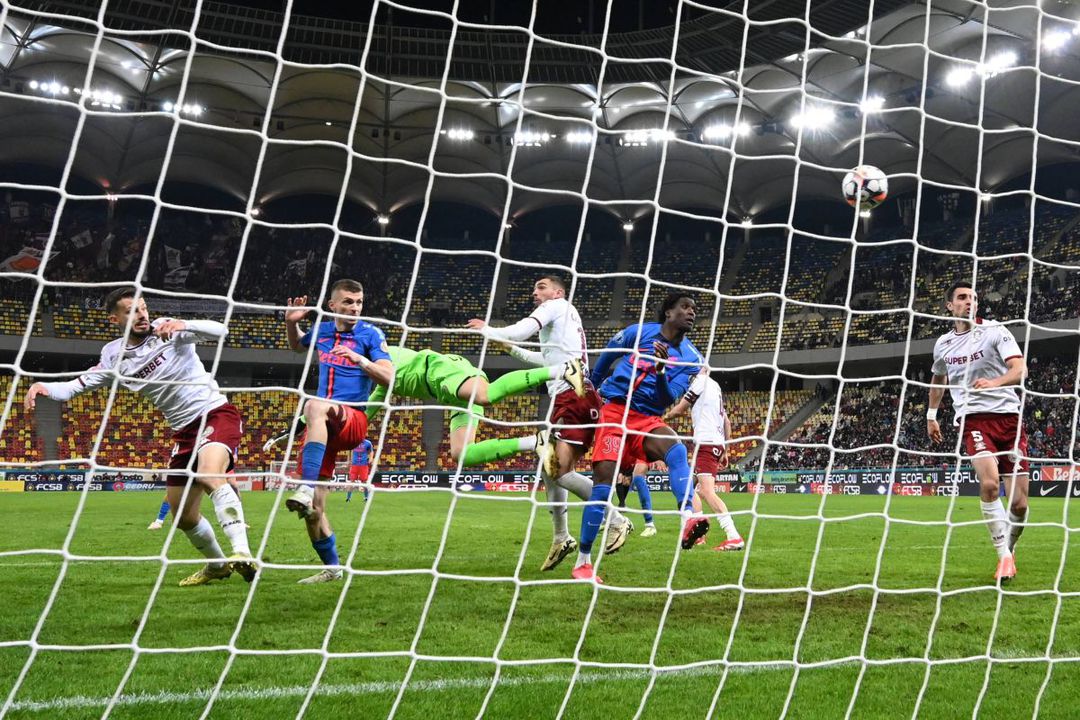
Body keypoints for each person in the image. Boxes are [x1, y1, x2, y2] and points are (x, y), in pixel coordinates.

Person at [25, 287, 256, 586]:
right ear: (115, 319)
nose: (142, 315)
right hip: (183, 432)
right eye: (131, 311)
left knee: (209, 475)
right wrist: (42, 386)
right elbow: (76, 386)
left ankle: (242, 552)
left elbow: (221, 331)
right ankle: (217, 566)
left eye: (143, 307)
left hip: (215, 413)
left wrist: (184, 324)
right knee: (183, 517)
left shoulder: (168, 330)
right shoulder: (113, 355)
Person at [467, 275, 631, 571]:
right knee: (549, 464)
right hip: (571, 395)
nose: (535, 292)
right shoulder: (562, 332)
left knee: (559, 468)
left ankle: (616, 520)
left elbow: (524, 329)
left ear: (558, 292)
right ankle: (561, 537)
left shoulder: (556, 306)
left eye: (541, 287)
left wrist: (488, 329)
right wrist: (507, 347)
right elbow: (542, 358)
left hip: (574, 395)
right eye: (534, 288)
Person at [572, 293, 708, 582]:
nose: (691, 312)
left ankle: (688, 517)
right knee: (602, 487)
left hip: (647, 419)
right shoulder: (639, 332)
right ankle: (583, 562)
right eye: (685, 307)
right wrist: (591, 388)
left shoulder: (692, 358)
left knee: (676, 449)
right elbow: (609, 353)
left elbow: (668, 398)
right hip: (614, 411)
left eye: (694, 309)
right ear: (668, 312)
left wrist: (660, 370)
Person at [282, 280, 394, 584]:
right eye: (348, 302)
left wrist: (361, 360)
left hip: (352, 419)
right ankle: (332, 568)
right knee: (313, 512)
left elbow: (389, 377)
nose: (355, 308)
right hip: (323, 430)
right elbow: (297, 346)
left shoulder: (371, 334)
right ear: (332, 305)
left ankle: (305, 487)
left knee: (314, 405)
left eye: (359, 302)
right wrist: (291, 324)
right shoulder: (323, 331)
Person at [928, 280, 1029, 583]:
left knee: (1020, 504)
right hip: (972, 420)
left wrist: (994, 383)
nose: (968, 301)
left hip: (1009, 419)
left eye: (972, 297)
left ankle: (1008, 548)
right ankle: (1003, 558)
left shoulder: (995, 331)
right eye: (961, 297)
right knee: (989, 483)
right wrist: (932, 415)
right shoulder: (943, 344)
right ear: (950, 306)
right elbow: (938, 379)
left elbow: (1020, 369)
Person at [365, 344, 586, 468]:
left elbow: (381, 367)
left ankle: (562, 369)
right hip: (449, 393)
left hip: (439, 371)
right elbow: (372, 405)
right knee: (462, 454)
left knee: (485, 395)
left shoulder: (380, 354)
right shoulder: (380, 381)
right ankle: (534, 442)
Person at [664, 368, 744, 551]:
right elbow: (727, 422)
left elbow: (679, 409)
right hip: (715, 443)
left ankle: (733, 536)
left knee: (707, 491)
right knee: (693, 489)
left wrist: (662, 419)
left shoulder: (699, 382)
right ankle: (699, 534)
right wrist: (725, 450)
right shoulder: (715, 387)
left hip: (706, 443)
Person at [615, 461, 656, 537]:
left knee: (634, 479)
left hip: (637, 458)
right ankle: (621, 505)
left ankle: (650, 524)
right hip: (624, 458)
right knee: (619, 478)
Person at [347, 438, 373, 502]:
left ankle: (366, 497)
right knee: (352, 481)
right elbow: (350, 451)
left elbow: (371, 451)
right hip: (354, 465)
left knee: (364, 482)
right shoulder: (353, 441)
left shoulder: (368, 443)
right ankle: (348, 498)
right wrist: (349, 460)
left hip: (363, 465)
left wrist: (371, 459)